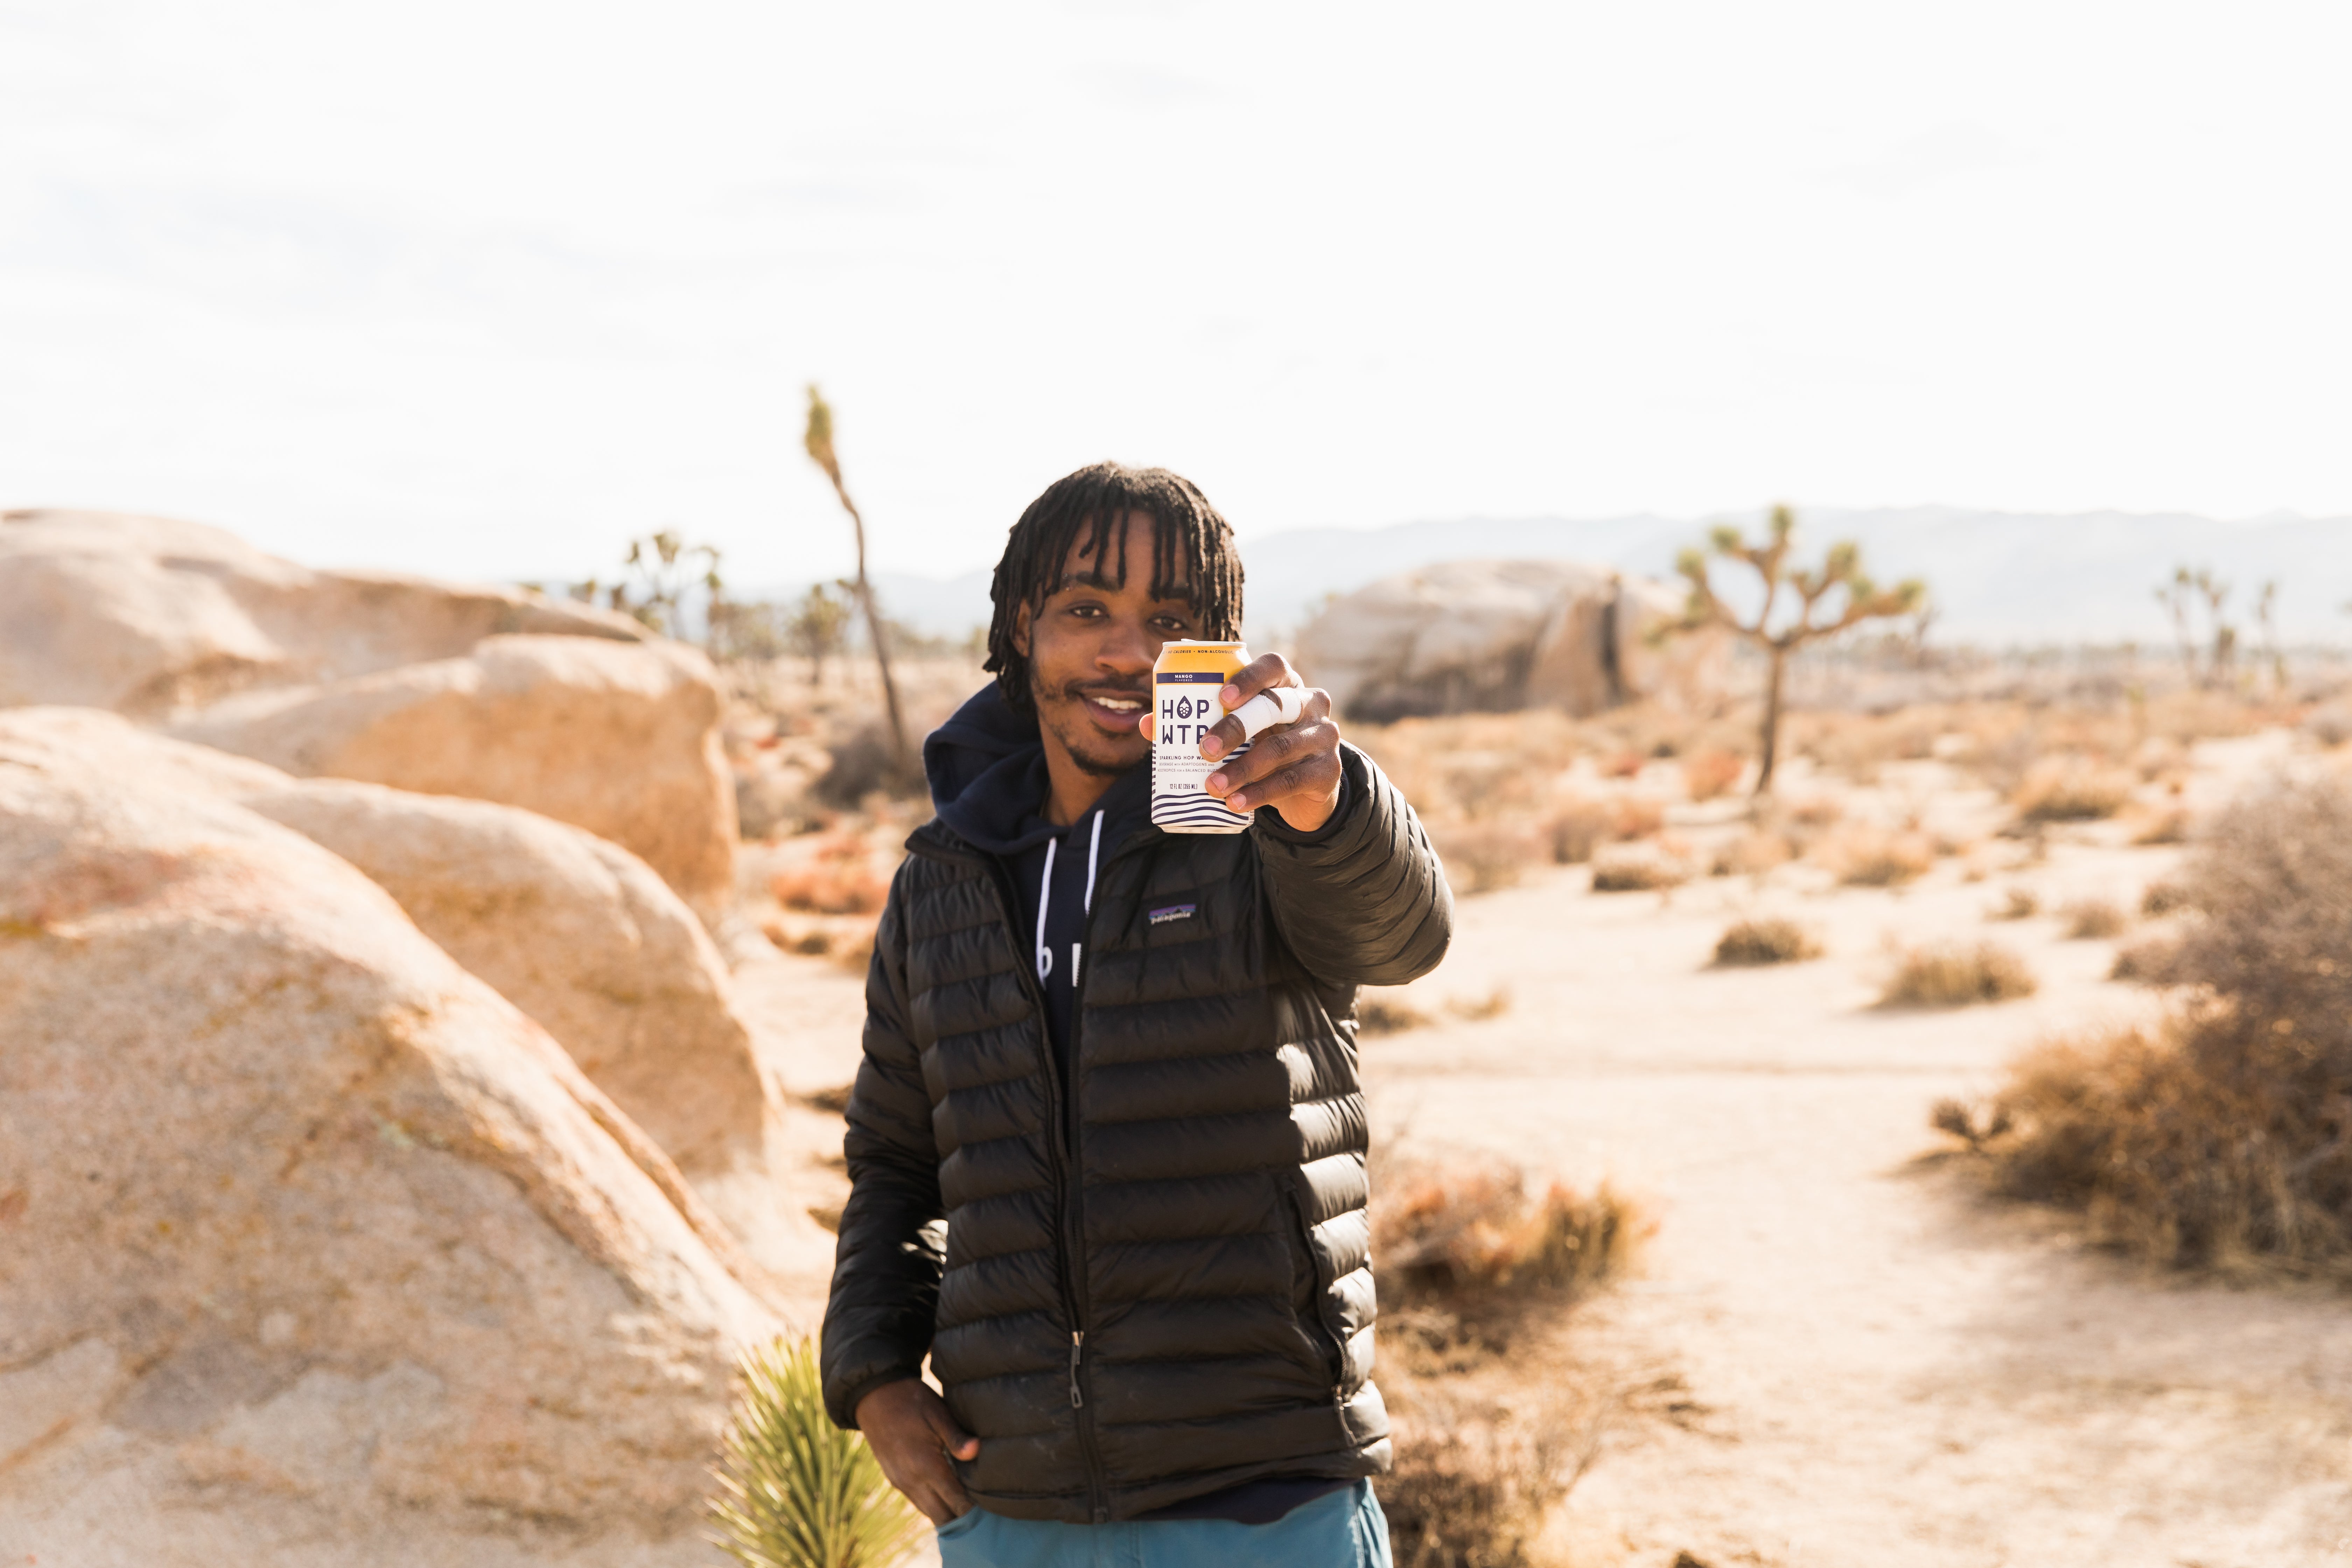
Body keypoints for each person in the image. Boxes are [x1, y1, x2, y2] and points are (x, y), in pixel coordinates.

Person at [820, 461, 1452, 1567]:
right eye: (1085, 612)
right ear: (1022, 627)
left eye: (1170, 622)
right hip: (1015, 1509)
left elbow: (1402, 940)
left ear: (1216, 651)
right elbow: (896, 1158)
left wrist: (1334, 801)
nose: (1125, 654)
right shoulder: (947, 876)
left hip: (1263, 1500)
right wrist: (873, 1376)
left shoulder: (1270, 830)